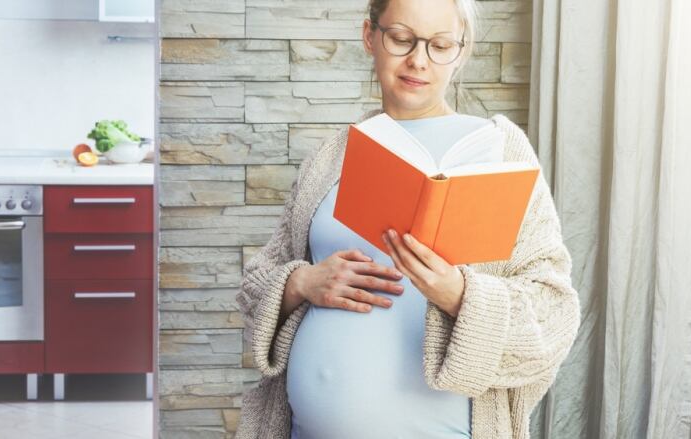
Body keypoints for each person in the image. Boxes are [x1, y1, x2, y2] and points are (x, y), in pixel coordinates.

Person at [234, 0, 581, 437]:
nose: (419, 60)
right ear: (370, 36)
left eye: (440, 45)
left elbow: (554, 315)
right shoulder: (330, 157)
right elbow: (254, 287)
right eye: (402, 39)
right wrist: (300, 282)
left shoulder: (498, 151)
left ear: (461, 51)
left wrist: (460, 296)